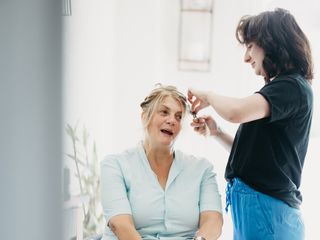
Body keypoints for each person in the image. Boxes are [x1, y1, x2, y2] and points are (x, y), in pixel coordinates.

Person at [188, 8, 313, 240]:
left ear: (272, 43)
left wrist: (209, 95)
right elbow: (258, 154)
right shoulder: (283, 89)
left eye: (250, 46)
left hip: (267, 212)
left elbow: (235, 111)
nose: (246, 57)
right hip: (261, 211)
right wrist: (217, 132)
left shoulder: (291, 87)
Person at [100, 84, 223, 240]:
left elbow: (214, 221)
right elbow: (120, 225)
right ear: (145, 116)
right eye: (164, 112)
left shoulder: (201, 169)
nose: (172, 120)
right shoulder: (115, 165)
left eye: (178, 116)